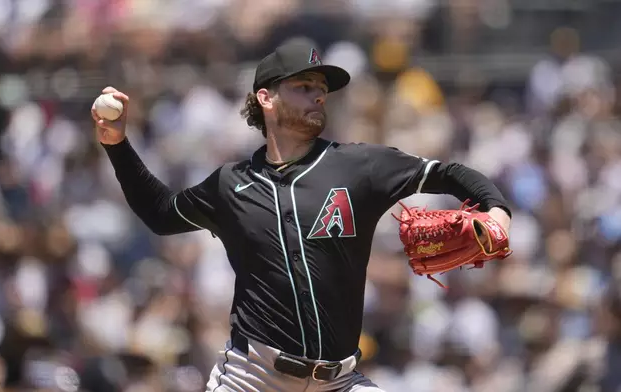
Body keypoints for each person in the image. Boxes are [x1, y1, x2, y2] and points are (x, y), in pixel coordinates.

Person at [91, 38, 512, 392]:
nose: (318, 94)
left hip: (339, 381)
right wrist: (117, 143)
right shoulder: (230, 184)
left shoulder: (359, 166)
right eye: (304, 85)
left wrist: (497, 211)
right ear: (266, 97)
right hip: (252, 378)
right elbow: (162, 213)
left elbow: (447, 173)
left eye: (321, 88)